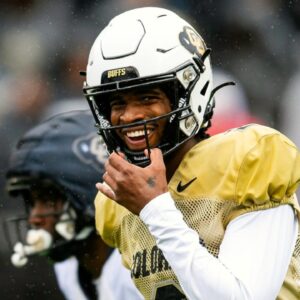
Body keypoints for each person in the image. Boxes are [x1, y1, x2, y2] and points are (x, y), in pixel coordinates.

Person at [82, 7, 300, 300]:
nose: (129, 116)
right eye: (116, 103)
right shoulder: (118, 200)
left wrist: (155, 209)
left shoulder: (246, 162)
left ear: (189, 93)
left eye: (147, 97)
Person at [5, 110, 142, 300]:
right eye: (32, 202)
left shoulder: (139, 265)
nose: (34, 218)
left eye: (48, 200)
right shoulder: (69, 269)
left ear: (87, 192)